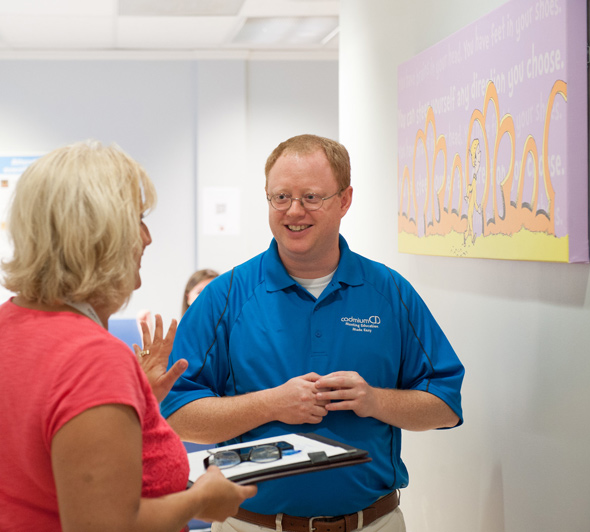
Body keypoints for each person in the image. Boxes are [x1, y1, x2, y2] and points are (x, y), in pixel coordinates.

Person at [162, 134, 465, 532]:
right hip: (251, 525)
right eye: (281, 197)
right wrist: (270, 405)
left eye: (311, 197)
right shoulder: (225, 298)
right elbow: (178, 415)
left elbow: (444, 406)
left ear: (344, 200)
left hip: (373, 523)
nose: (294, 211)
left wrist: (374, 400)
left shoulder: (390, 294)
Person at [0, 140, 256, 532]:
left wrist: (135, 401)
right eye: (137, 219)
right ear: (100, 235)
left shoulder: (2, 321)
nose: (148, 237)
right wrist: (200, 499)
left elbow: (45, 447)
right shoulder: (91, 356)